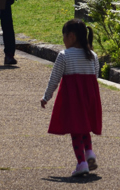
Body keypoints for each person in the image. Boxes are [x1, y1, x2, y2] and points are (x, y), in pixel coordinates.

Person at [40, 19, 103, 178]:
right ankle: (89, 153)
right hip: (90, 98)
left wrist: (46, 96)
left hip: (73, 98)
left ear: (72, 36)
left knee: (76, 130)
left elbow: (54, 78)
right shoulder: (92, 55)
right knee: (85, 127)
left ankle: (81, 163)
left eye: (64, 36)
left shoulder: (64, 55)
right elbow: (95, 76)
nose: (63, 40)